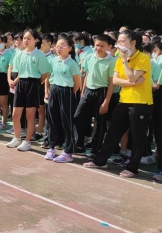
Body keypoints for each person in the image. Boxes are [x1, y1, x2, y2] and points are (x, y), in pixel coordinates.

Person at [84, 30, 153, 177]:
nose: (118, 44)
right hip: (124, 100)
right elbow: (115, 81)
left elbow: (131, 77)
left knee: (137, 136)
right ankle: (100, 161)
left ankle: (132, 168)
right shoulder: (118, 58)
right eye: (118, 41)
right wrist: (132, 81)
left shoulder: (142, 58)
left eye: (122, 41)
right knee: (113, 132)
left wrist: (125, 63)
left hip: (140, 102)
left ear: (133, 42)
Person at [6, 29, 51, 151]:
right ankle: (16, 138)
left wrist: (36, 83)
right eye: (24, 38)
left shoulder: (39, 55)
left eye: (28, 38)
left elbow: (46, 73)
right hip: (21, 84)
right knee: (15, 114)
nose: (25, 41)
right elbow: (17, 70)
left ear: (35, 40)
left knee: (30, 116)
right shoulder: (20, 54)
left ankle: (27, 141)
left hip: (33, 83)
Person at [73, 34, 116, 158]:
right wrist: (83, 92)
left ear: (109, 47)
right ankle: (79, 145)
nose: (98, 48)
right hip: (88, 91)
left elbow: (112, 83)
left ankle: (96, 150)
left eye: (102, 46)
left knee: (100, 123)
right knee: (78, 117)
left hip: (102, 92)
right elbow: (87, 74)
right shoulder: (90, 57)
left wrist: (106, 102)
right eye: (97, 45)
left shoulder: (112, 61)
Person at [43, 36, 81, 162]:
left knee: (67, 121)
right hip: (54, 90)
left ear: (69, 48)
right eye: (57, 46)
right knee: (52, 119)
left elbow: (77, 83)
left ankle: (68, 152)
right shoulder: (53, 60)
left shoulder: (72, 63)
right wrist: (47, 91)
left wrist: (68, 93)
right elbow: (48, 76)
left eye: (62, 46)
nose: (58, 48)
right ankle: (51, 147)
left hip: (66, 91)